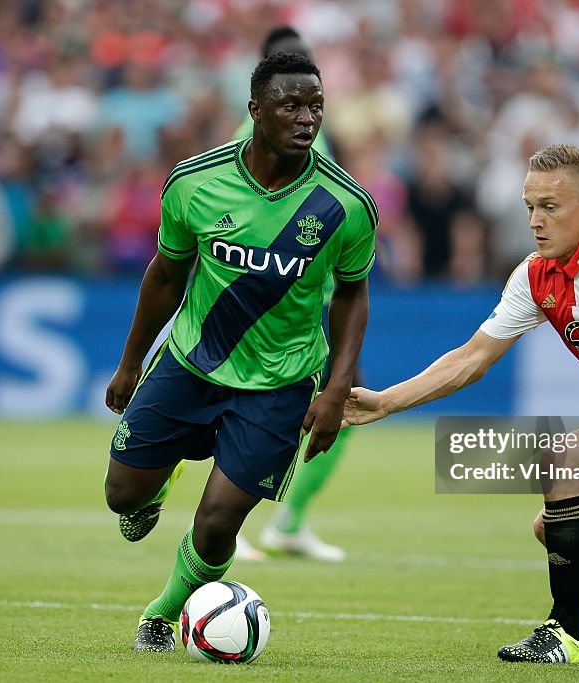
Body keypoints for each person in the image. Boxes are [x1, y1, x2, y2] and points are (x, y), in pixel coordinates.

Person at [344, 143, 579, 664]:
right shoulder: (535, 274)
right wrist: (387, 402)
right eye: (529, 206)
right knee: (554, 528)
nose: (534, 220)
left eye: (550, 207)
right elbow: (471, 359)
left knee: (562, 459)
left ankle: (563, 633)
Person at [103, 51, 376, 652]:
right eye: (291, 105)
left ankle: (162, 613)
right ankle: (167, 471)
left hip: (280, 383)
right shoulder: (195, 183)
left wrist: (335, 390)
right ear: (255, 110)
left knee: (220, 520)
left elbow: (352, 297)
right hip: (190, 364)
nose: (306, 119)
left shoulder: (346, 205)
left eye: (316, 107)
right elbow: (165, 276)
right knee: (122, 494)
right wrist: (129, 362)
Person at [231, 25, 350, 563]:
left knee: (341, 405)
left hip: (314, 298)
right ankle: (233, 519)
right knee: (237, 404)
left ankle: (289, 520)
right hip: (269, 299)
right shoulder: (247, 138)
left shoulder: (314, 132)